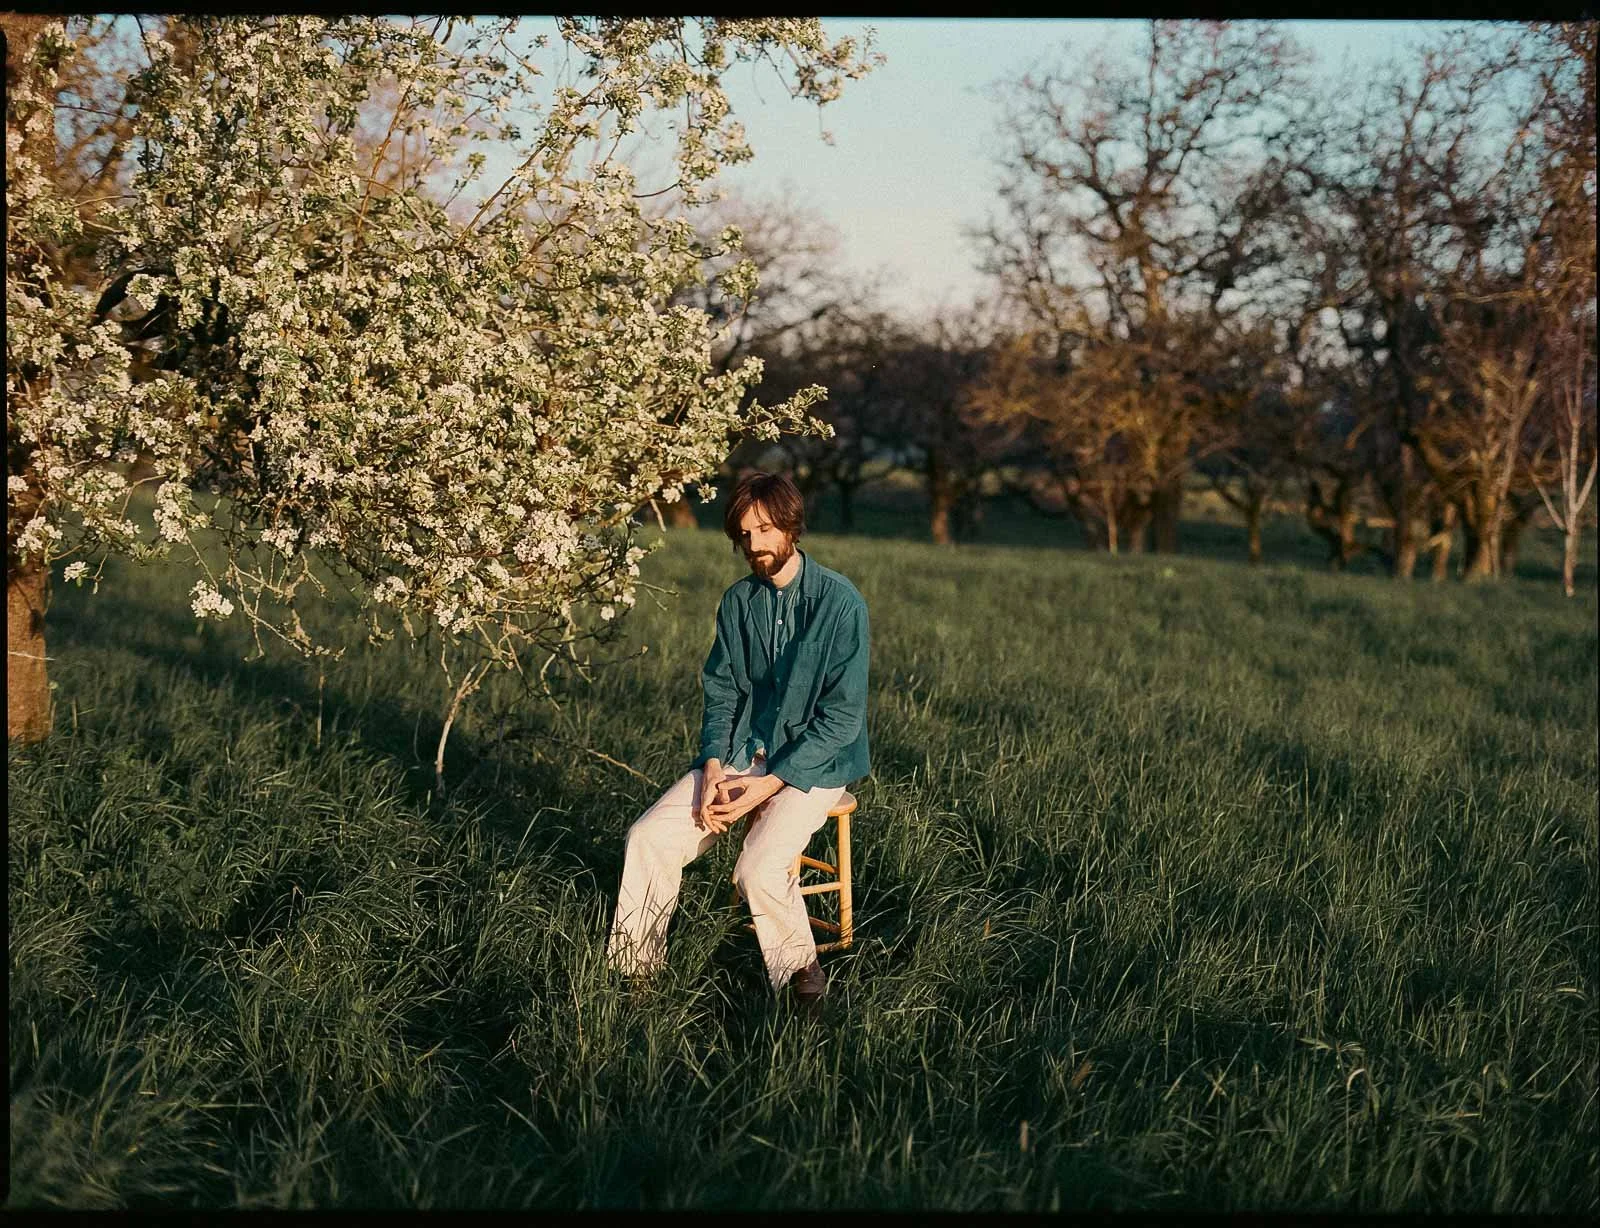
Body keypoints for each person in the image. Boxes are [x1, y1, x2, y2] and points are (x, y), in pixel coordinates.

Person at [606, 470, 871, 1011]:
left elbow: (841, 719)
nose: (755, 545)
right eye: (745, 534)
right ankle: (636, 981)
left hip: (814, 766)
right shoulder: (737, 602)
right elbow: (722, 692)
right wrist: (711, 768)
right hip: (740, 758)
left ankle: (804, 984)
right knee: (648, 838)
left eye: (766, 530)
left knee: (758, 867)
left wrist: (769, 785)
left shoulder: (840, 603)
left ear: (791, 527)